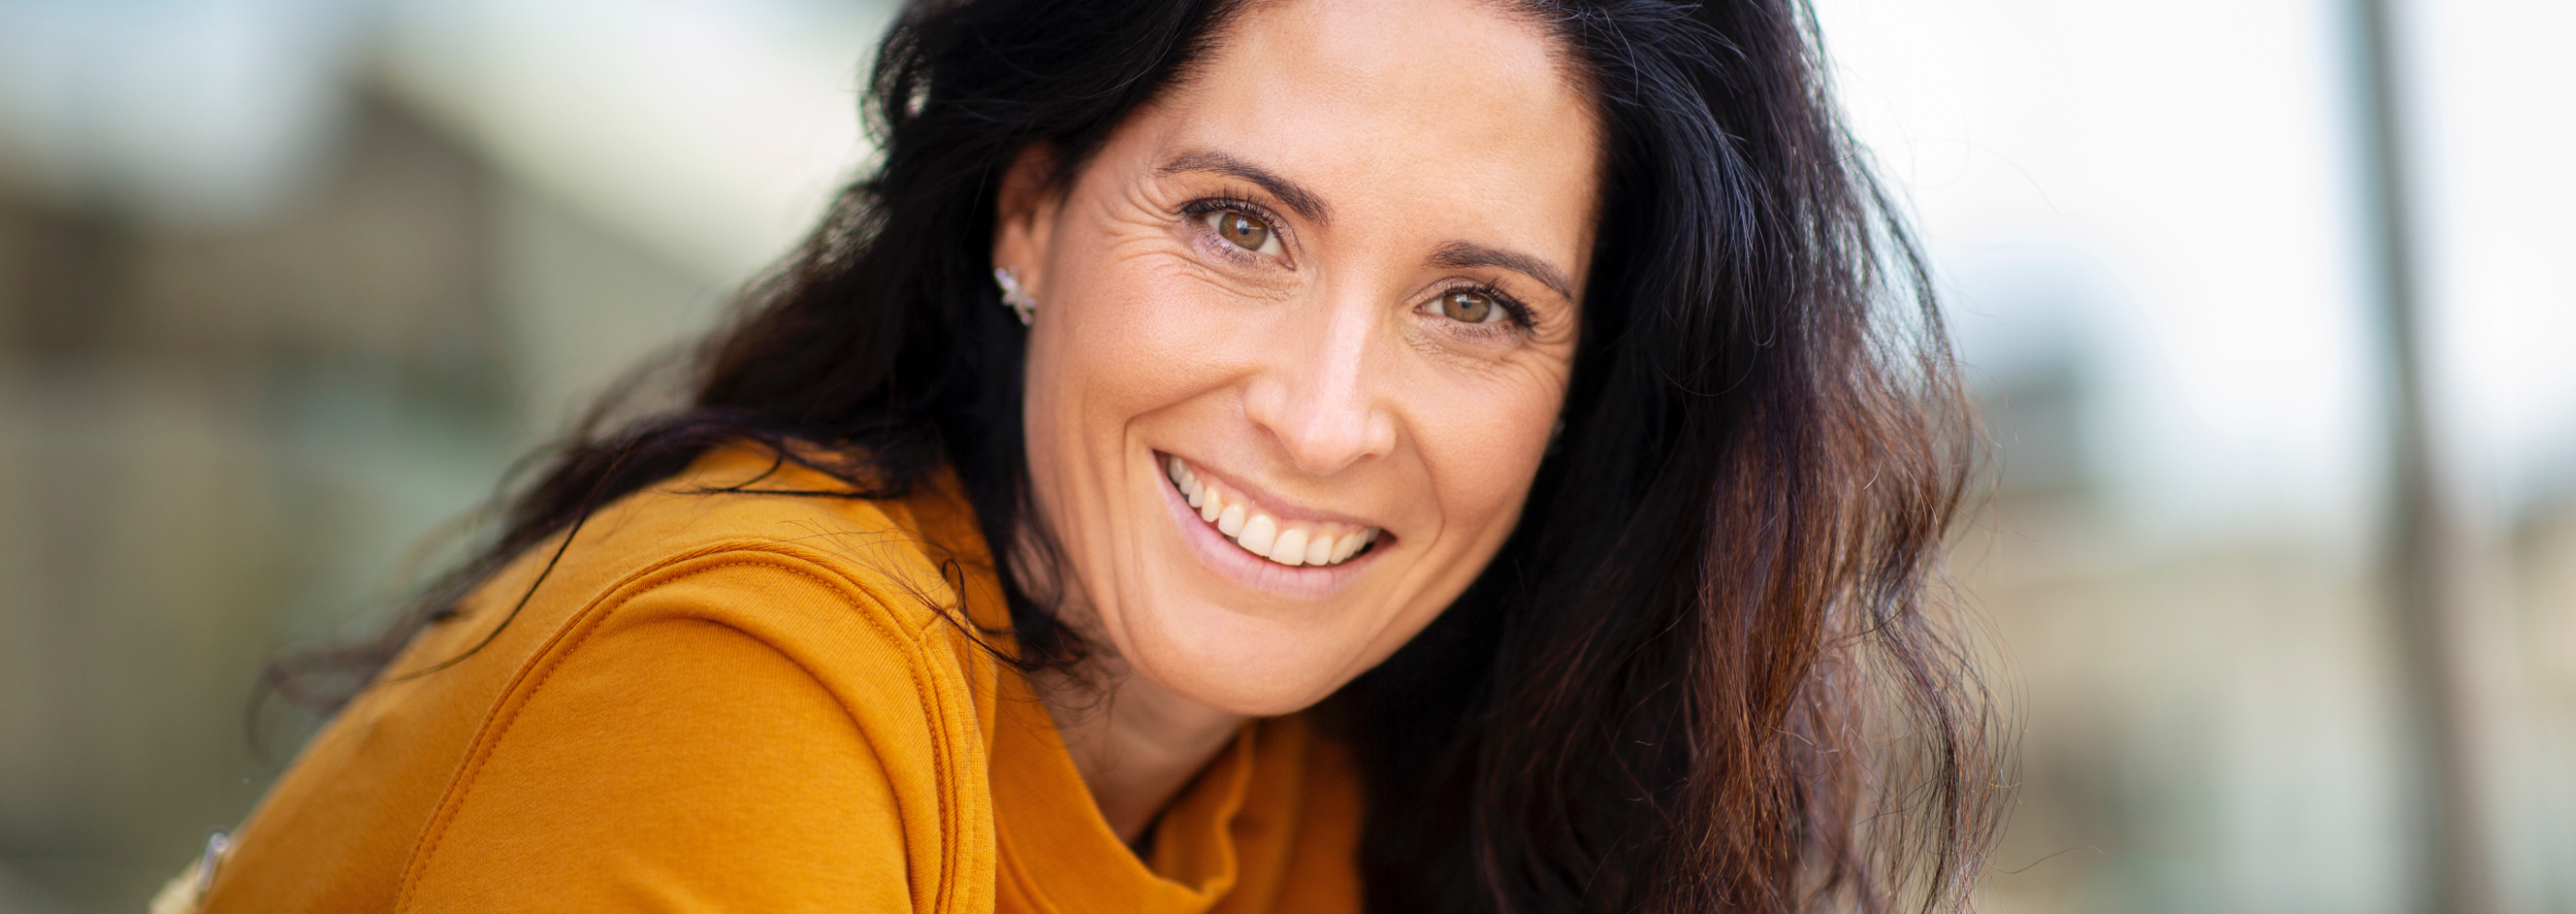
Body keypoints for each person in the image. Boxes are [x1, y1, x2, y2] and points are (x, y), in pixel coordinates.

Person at [172, 0, 2002, 910]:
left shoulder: (1324, 798)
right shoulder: (734, 671)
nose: (1317, 408)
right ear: (1030, 207)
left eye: (1476, 306)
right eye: (1234, 224)